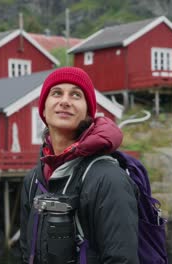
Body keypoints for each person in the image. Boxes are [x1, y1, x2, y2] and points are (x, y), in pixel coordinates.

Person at [20, 67, 139, 264]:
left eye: (76, 95)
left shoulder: (108, 179)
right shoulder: (33, 179)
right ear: (43, 108)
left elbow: (122, 259)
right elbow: (25, 253)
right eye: (56, 93)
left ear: (87, 113)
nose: (65, 101)